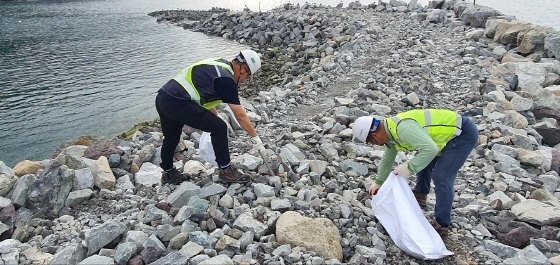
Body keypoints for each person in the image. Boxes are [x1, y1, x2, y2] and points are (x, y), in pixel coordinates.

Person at [352, 109, 478, 240]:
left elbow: (430, 149)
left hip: (461, 133)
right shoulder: (389, 135)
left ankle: (442, 225)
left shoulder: (402, 129)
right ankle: (421, 194)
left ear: (374, 135)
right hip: (442, 138)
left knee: (442, 176)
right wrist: (379, 182)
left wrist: (409, 167)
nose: (375, 145)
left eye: (372, 142)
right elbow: (388, 158)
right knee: (423, 160)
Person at [155, 50, 266, 184]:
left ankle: (168, 173)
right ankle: (226, 171)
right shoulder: (226, 80)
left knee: (171, 137)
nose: (244, 80)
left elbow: (202, 91)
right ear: (242, 69)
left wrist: (216, 114)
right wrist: (255, 138)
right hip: (178, 102)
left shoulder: (220, 64)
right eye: (247, 76)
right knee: (219, 127)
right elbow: (240, 115)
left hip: (163, 97)